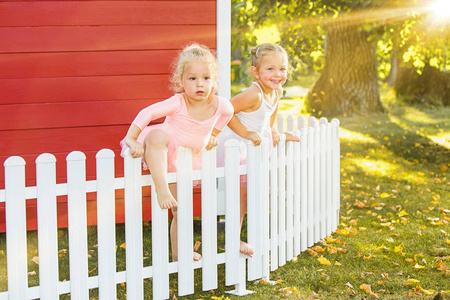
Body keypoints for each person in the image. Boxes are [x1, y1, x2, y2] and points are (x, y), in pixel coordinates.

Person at [120, 44, 233, 261]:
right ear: (181, 81)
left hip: (187, 159)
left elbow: (228, 115)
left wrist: (213, 134)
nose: (200, 83)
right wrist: (131, 138)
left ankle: (178, 254)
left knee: (181, 211)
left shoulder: (220, 105)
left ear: (214, 81)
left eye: (206, 78)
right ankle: (161, 189)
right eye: (192, 78)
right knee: (156, 136)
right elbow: (149, 112)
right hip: (164, 152)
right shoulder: (178, 102)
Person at [216, 43, 300, 257]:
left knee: (255, 193)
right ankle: (233, 239)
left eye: (282, 68)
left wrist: (273, 131)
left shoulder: (277, 90)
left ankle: (249, 234)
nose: (277, 74)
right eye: (270, 69)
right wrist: (245, 133)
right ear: (256, 72)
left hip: (257, 146)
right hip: (240, 147)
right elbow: (226, 112)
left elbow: (271, 117)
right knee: (242, 196)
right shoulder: (254, 94)